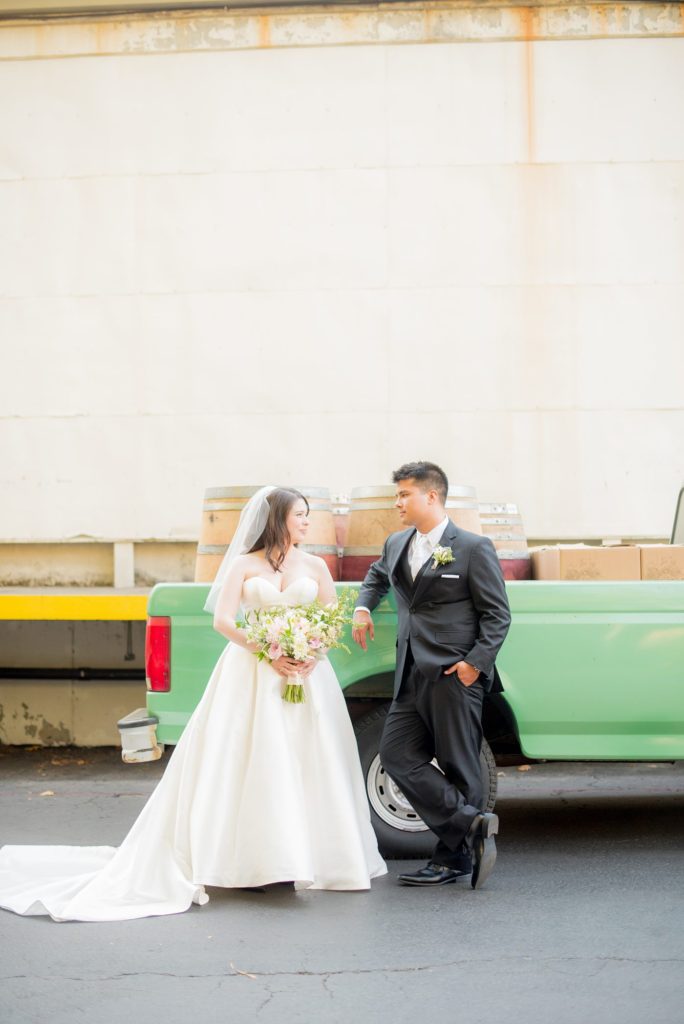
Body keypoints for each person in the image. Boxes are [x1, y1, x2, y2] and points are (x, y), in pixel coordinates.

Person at [0, 486, 386, 922]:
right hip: (252, 672)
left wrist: (308, 655)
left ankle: (313, 856)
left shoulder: (315, 566)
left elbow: (330, 620)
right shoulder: (244, 564)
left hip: (306, 676)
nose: (305, 522)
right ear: (277, 518)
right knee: (254, 758)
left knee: (309, 759)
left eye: (307, 515)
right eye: (299, 514)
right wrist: (268, 651)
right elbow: (223, 620)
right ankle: (254, 858)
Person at [352, 462, 510, 889]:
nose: (398, 502)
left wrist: (473, 665)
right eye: (397, 495)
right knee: (398, 755)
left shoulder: (474, 548)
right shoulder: (396, 542)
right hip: (409, 673)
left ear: (432, 497)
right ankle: (473, 824)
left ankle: (451, 859)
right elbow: (377, 575)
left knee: (461, 766)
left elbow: (498, 615)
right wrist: (363, 606)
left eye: (404, 494)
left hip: (453, 673)